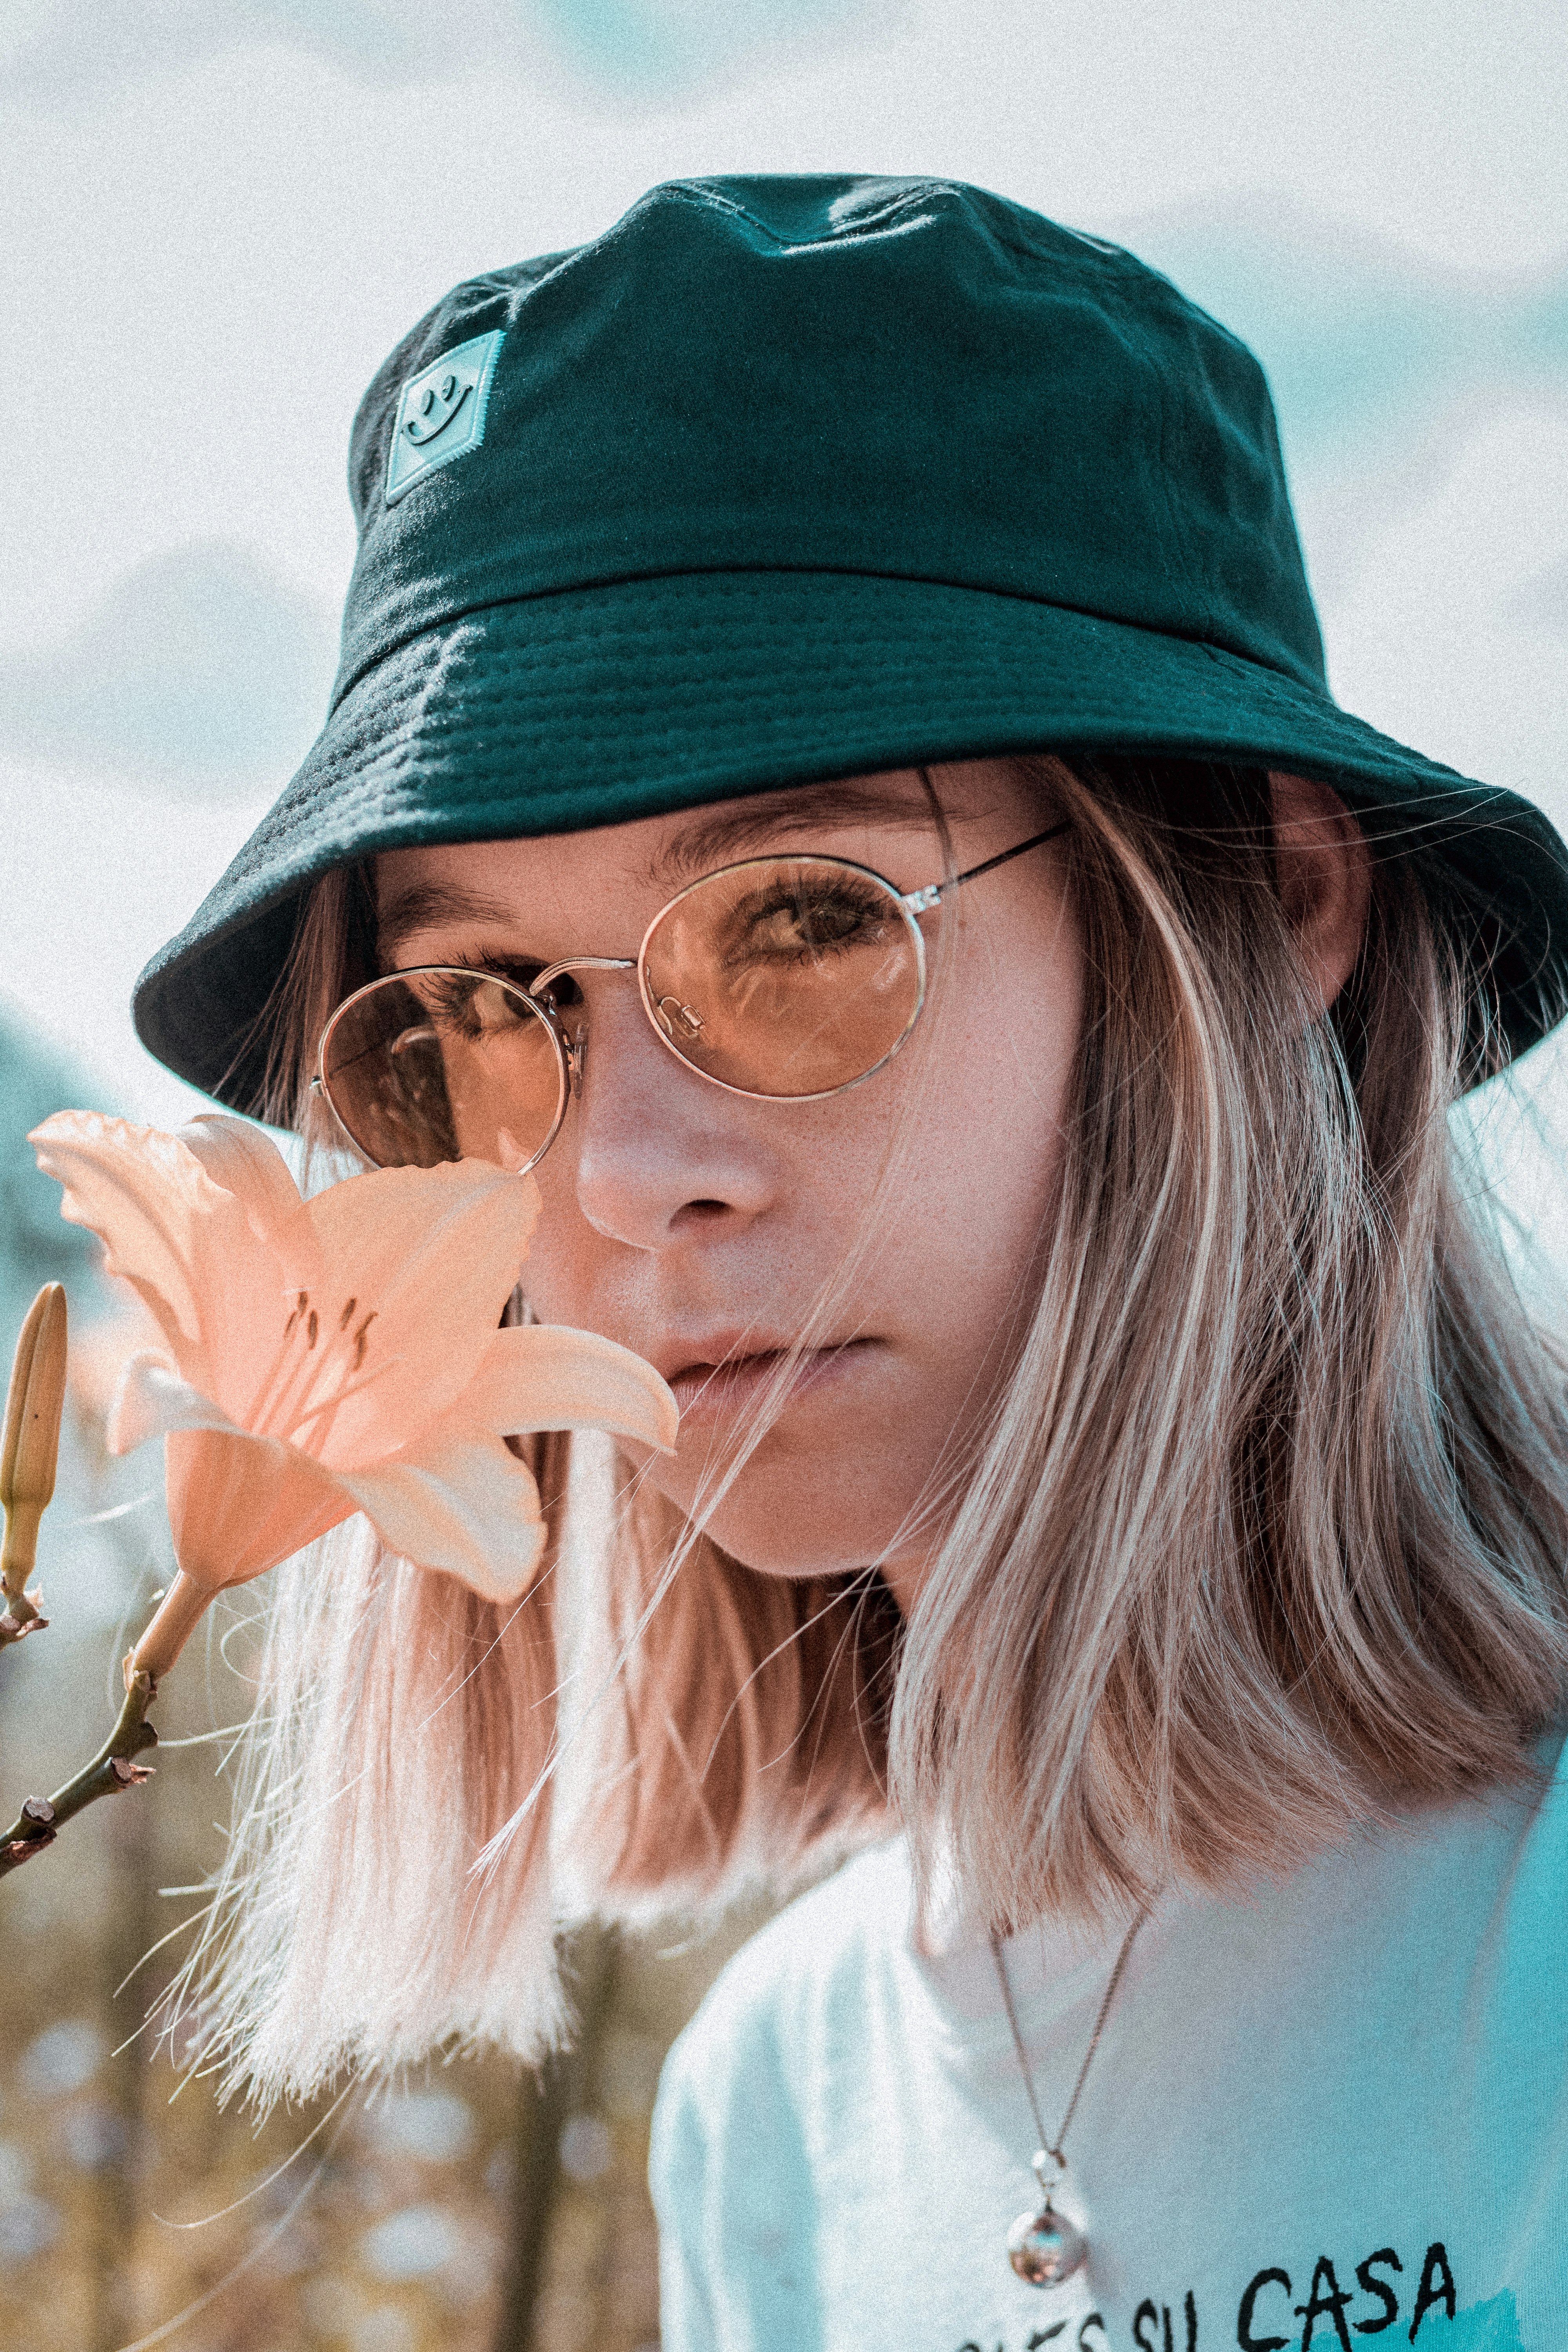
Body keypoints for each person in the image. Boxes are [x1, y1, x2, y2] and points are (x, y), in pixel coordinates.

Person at [131, 178, 1568, 2351]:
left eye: (804, 921)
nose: (619, 1177)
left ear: (1273, 910)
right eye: (491, 1009)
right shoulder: (769, 2128)